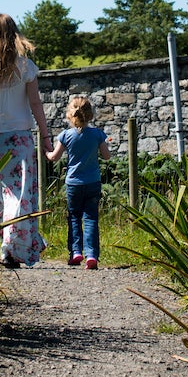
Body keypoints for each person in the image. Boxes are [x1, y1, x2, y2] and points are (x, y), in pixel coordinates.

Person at [0, 13, 53, 268]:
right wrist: (46, 134)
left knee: (0, 197)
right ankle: (12, 245)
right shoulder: (24, 65)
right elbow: (35, 102)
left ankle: (9, 246)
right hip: (19, 139)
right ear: (14, 34)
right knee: (20, 196)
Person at [54, 94, 111, 268]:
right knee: (91, 218)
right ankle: (91, 255)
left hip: (73, 183)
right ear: (90, 115)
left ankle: (76, 252)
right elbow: (107, 156)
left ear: (70, 115)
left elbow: (55, 157)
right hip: (93, 182)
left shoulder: (65, 135)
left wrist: (47, 153)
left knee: (74, 218)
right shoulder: (97, 134)